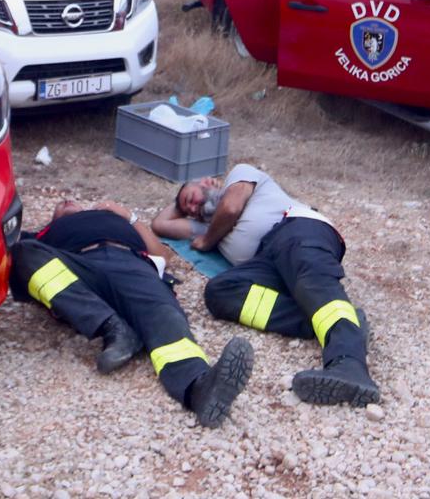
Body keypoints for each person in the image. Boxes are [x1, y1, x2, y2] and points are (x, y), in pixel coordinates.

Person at [10, 199, 254, 428]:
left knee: (163, 315)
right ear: (53, 220)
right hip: (79, 268)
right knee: (22, 252)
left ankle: (197, 388)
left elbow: (162, 255)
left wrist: (129, 217)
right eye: (59, 205)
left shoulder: (112, 217)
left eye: (70, 200)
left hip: (130, 262)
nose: (65, 201)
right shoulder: (43, 235)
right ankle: (112, 328)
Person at [152, 165, 380, 407]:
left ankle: (349, 364)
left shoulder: (239, 176)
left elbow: (231, 208)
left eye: (192, 199)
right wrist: (180, 204)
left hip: (296, 229)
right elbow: (160, 224)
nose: (194, 209)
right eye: (192, 211)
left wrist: (207, 241)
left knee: (309, 280)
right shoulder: (208, 225)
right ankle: (342, 324)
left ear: (207, 182)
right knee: (220, 293)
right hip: (266, 259)